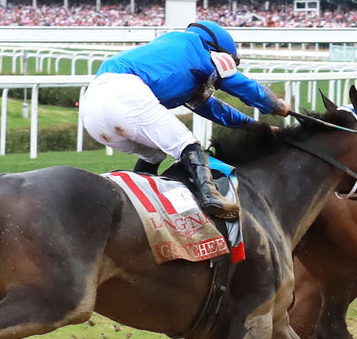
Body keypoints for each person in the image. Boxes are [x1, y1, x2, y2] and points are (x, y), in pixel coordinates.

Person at [78, 20, 290, 223]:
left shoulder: (174, 52)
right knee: (187, 144)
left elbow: (212, 108)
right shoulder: (203, 51)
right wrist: (276, 106)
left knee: (155, 153)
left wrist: (253, 126)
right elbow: (240, 85)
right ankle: (211, 198)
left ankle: (138, 197)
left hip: (92, 110)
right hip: (124, 95)